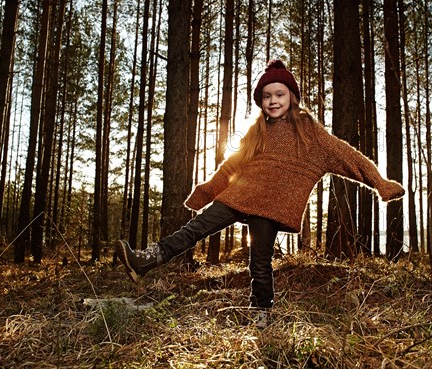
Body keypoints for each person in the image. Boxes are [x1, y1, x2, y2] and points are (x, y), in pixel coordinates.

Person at [115, 59, 404, 324]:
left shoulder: (310, 134)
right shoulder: (257, 131)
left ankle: (262, 315)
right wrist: (207, 190)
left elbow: (347, 157)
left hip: (272, 207)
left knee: (260, 263)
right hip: (240, 195)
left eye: (279, 94)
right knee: (194, 230)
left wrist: (380, 182)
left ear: (292, 96)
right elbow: (232, 166)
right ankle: (145, 260)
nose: (273, 101)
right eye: (267, 96)